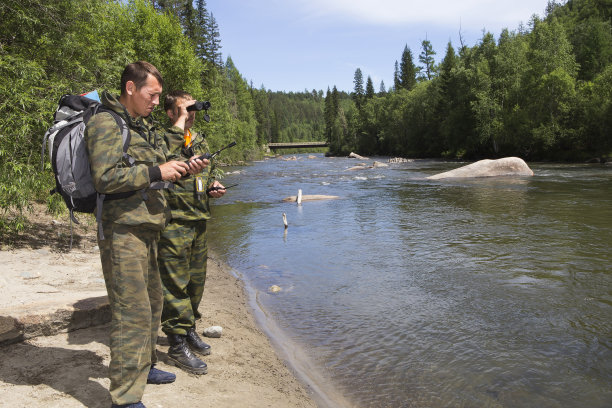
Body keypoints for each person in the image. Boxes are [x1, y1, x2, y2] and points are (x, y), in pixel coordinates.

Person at [85, 61, 208, 408]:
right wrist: (158, 168)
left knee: (153, 306)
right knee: (131, 314)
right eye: (151, 95)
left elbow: (151, 173)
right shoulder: (105, 122)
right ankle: (125, 398)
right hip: (122, 231)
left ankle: (145, 366)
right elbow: (104, 178)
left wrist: (182, 169)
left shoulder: (136, 127)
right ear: (130, 88)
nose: (156, 102)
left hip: (147, 229)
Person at [157, 90, 226, 374]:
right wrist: (179, 126)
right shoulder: (161, 138)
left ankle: (188, 329)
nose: (190, 113)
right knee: (174, 285)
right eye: (184, 109)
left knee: (195, 283)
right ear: (171, 113)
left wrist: (214, 185)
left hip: (199, 219)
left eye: (192, 108)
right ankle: (176, 344)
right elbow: (159, 165)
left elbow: (211, 170)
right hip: (172, 222)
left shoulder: (198, 139)